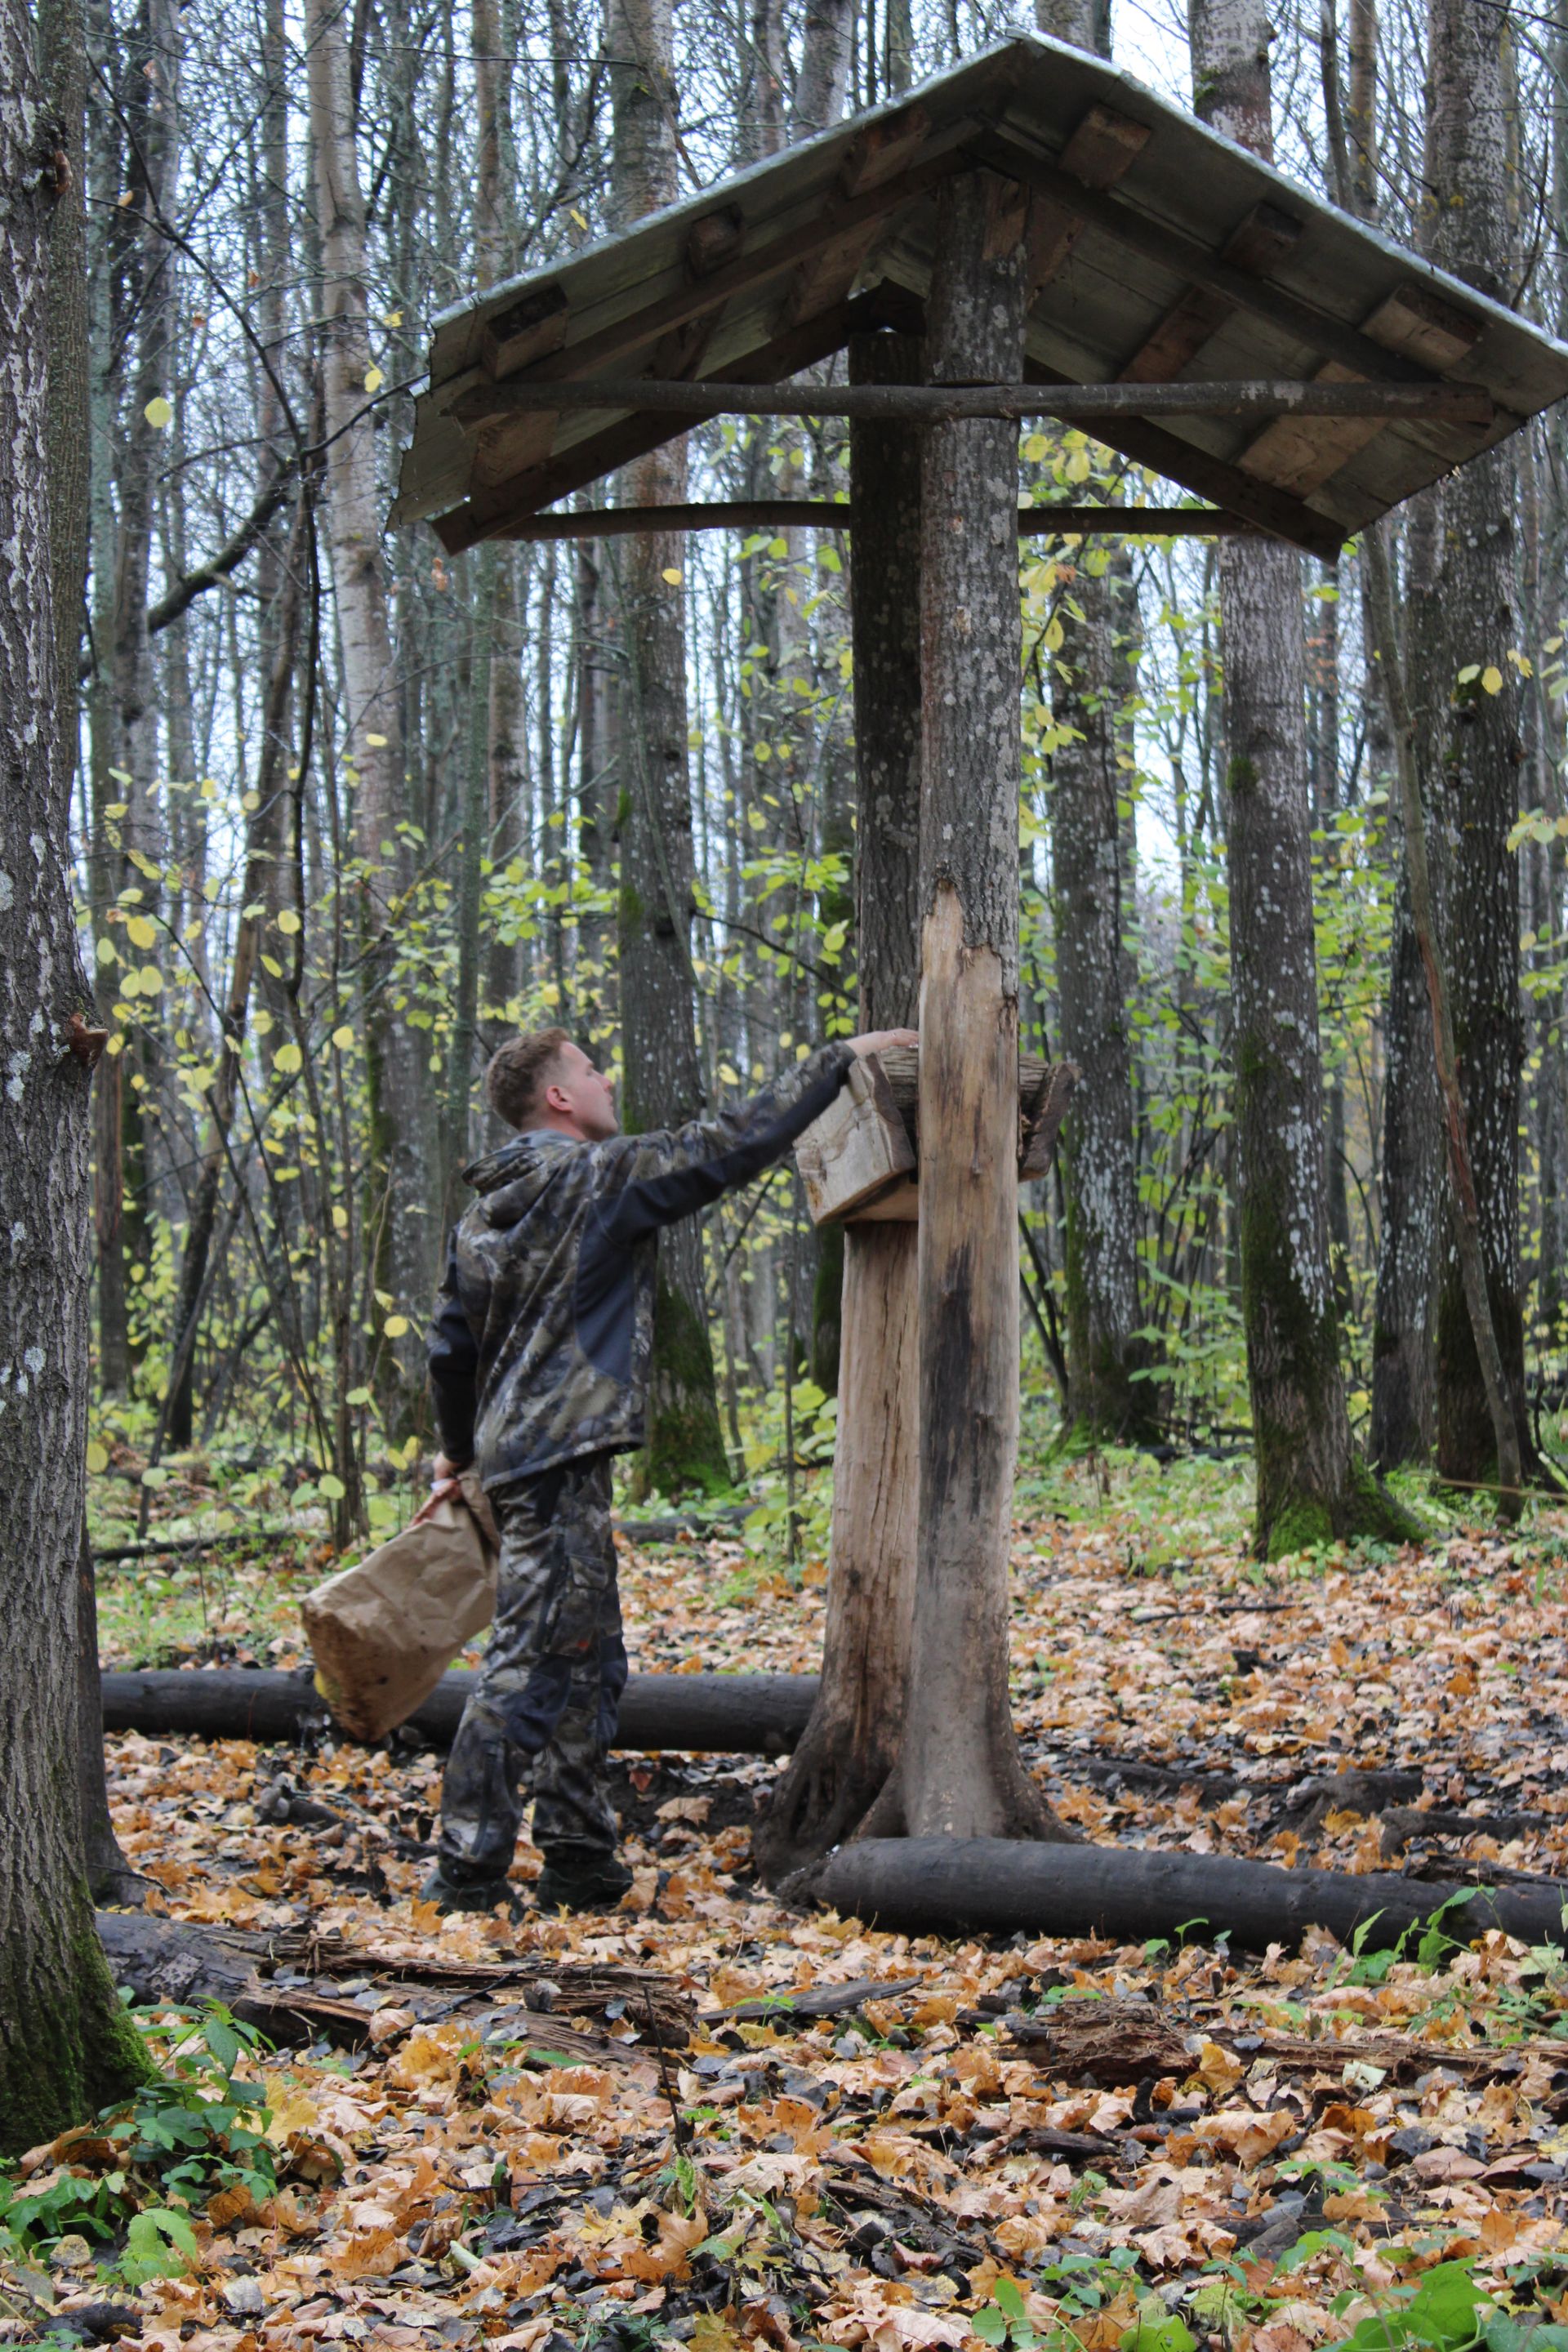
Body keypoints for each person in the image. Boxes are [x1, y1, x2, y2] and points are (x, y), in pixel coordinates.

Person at [420, 1022, 917, 1917]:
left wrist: (459, 1453)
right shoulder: (589, 1178)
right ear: (559, 1098)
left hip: (528, 1456)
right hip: (557, 1455)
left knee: (587, 1659)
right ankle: (465, 1870)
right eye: (588, 1069)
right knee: (529, 1667)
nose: (606, 1077)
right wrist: (835, 1057)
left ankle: (577, 1854)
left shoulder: (481, 1212)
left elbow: (451, 1350)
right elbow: (725, 1148)